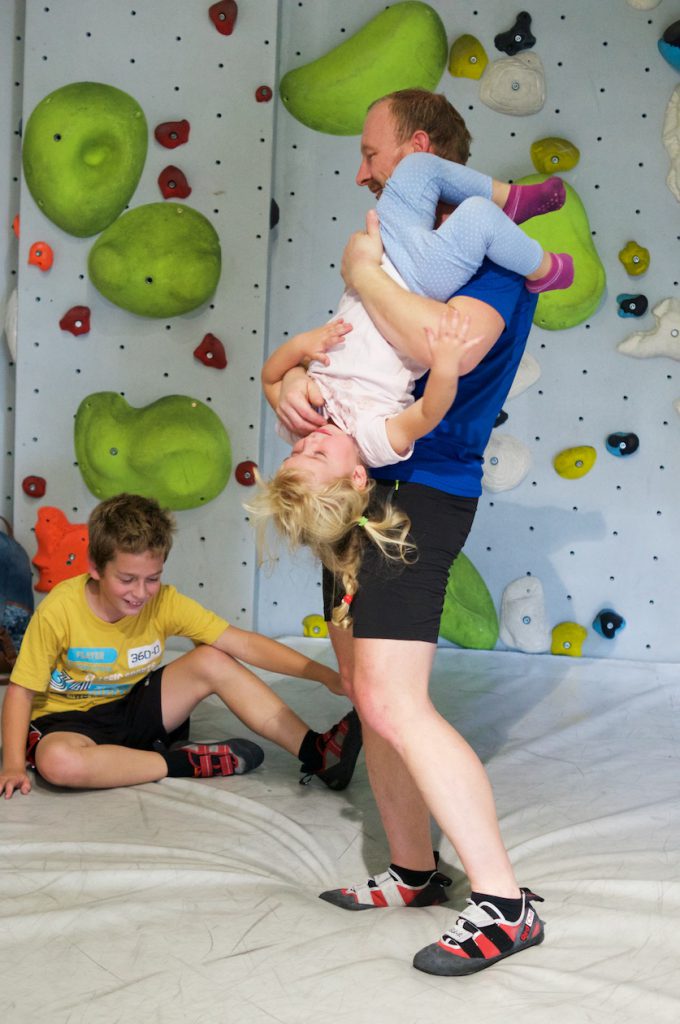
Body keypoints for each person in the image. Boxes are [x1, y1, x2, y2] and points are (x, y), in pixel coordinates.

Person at [274, 89, 546, 976]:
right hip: (355, 485)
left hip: (420, 491)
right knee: (364, 687)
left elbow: (443, 344)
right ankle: (413, 869)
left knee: (396, 698)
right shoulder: (389, 251)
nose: (360, 170)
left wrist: (361, 271)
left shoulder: (488, 256)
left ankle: (504, 904)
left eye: (370, 151)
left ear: (417, 149)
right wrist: (287, 388)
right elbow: (335, 357)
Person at [253, 153, 571, 612]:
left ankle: (514, 198)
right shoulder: (371, 438)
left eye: (295, 452)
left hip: (382, 267)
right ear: (359, 476)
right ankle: (547, 271)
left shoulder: (308, 419)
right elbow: (427, 413)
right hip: (416, 283)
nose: (307, 442)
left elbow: (269, 376)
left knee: (419, 169)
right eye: (317, 454)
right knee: (479, 218)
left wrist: (303, 348)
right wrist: (443, 365)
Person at [0, 493, 362, 799]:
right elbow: (20, 692)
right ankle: (183, 763)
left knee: (212, 657)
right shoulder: (59, 611)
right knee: (57, 763)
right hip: (67, 722)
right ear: (95, 568)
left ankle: (315, 752)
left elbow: (244, 643)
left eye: (152, 579)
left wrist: (325, 674)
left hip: (134, 707)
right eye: (127, 579)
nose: (140, 593)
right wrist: (13, 765)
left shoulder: (164, 602)